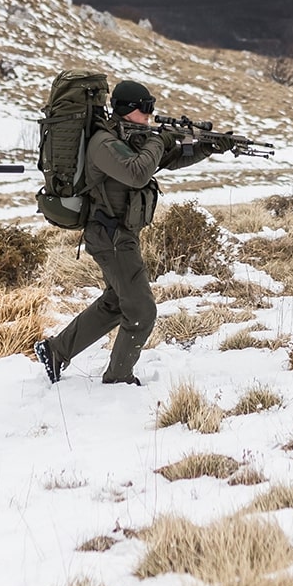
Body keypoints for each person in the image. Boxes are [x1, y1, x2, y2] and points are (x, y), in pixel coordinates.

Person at [34, 80, 229, 386]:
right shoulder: (103, 143)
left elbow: (165, 160)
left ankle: (56, 351)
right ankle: (119, 378)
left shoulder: (128, 139)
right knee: (141, 311)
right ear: (128, 110)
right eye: (146, 108)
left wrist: (207, 147)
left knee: (115, 303)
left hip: (120, 235)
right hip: (110, 237)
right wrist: (160, 140)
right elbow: (138, 174)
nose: (150, 114)